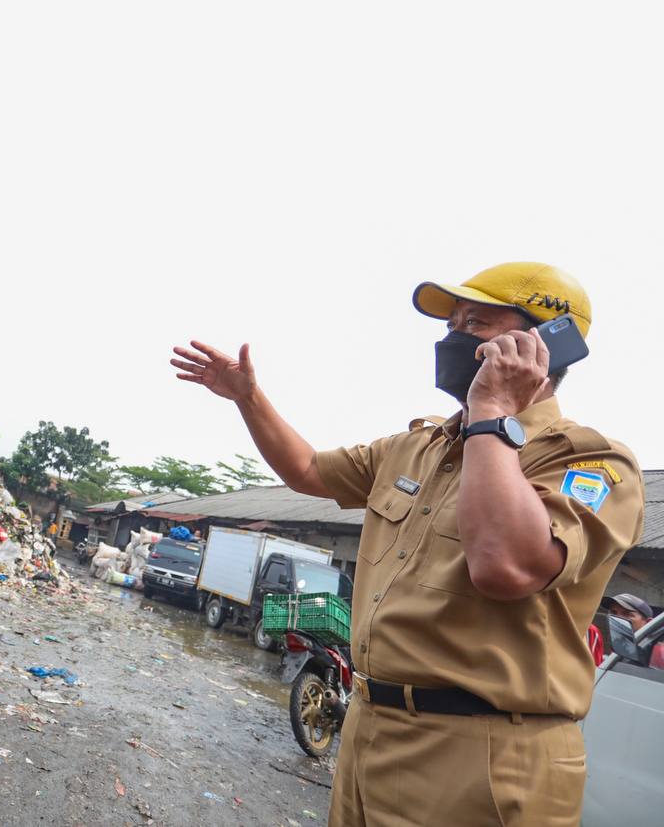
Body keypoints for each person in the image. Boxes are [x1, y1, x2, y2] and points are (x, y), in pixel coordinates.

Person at [171, 262, 645, 827]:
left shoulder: (588, 461)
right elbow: (306, 470)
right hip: (370, 725)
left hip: (484, 751)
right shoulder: (416, 447)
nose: (453, 338)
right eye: (450, 325)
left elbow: (507, 567)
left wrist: (492, 414)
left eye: (475, 322)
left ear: (547, 343)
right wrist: (247, 397)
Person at [603, 592, 664, 668]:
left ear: (648, 623)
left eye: (627, 614)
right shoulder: (619, 644)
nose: (616, 618)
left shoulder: (658, 652)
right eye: (613, 612)